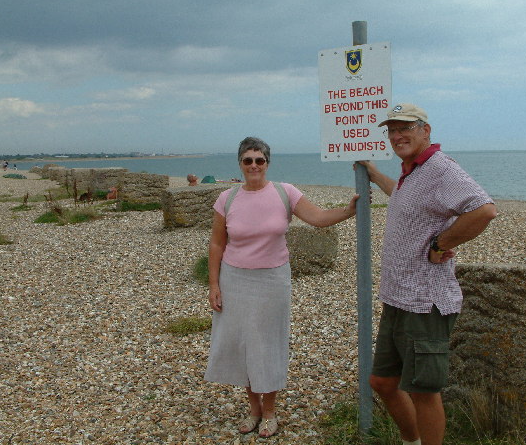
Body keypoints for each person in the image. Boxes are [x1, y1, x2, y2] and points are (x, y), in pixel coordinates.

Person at [359, 103, 497, 445]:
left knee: (424, 391)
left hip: (425, 301)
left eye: (405, 127)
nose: (397, 135)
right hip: (397, 298)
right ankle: (412, 441)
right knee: (383, 383)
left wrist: (441, 243)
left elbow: (484, 209)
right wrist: (375, 175)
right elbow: (407, 200)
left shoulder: (440, 168)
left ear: (426, 130)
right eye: (392, 130)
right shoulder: (412, 171)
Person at [205, 136, 359, 437]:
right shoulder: (227, 199)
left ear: (267, 163)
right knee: (243, 345)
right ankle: (254, 411)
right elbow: (216, 243)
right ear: (240, 163)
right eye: (247, 160)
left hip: (273, 280)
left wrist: (349, 210)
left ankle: (271, 412)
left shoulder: (284, 192)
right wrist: (214, 284)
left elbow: (318, 218)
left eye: (259, 160)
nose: (253, 165)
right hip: (235, 279)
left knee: (268, 343)